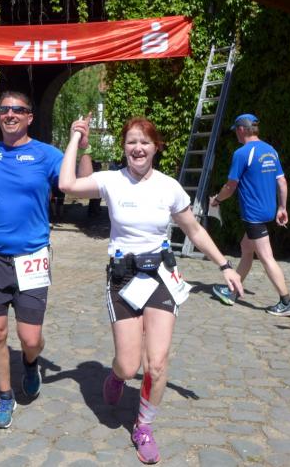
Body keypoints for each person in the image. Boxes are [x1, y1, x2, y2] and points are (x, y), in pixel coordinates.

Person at [59, 116, 243, 464]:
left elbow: (194, 230)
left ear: (156, 147)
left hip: (160, 276)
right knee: (130, 365)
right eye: (131, 142)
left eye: (144, 142)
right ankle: (117, 376)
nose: (138, 148)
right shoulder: (111, 181)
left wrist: (225, 265)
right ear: (124, 147)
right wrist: (75, 138)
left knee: (156, 364)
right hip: (123, 278)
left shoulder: (169, 187)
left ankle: (143, 426)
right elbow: (67, 184)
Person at [0, 90, 93, 429]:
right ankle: (5, 395)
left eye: (17, 109)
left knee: (30, 339)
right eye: (4, 109)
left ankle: (29, 362)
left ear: (29, 117)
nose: (9, 114)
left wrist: (83, 147)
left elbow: (81, 184)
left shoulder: (47, 154)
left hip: (32, 258)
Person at [209, 113, 290, 317]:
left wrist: (217, 200)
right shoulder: (270, 150)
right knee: (246, 248)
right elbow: (282, 181)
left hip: (253, 215)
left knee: (266, 257)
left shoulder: (242, 153)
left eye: (236, 131)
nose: (236, 134)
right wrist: (282, 207)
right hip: (268, 210)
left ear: (242, 129)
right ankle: (233, 290)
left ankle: (286, 301)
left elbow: (230, 186)